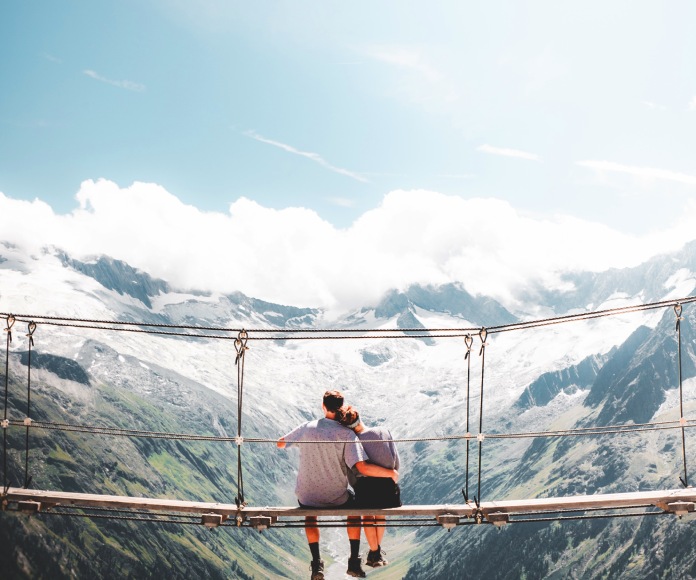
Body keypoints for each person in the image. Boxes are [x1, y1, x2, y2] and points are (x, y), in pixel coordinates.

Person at [277, 390, 399, 580]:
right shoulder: (346, 434)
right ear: (341, 406)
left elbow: (280, 443)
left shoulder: (307, 427)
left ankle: (317, 564)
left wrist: (305, 442)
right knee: (355, 509)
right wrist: (390, 473)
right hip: (336, 496)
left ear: (323, 406)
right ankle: (354, 562)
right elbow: (362, 467)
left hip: (307, 495)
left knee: (309, 514)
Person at [339, 405, 401, 569]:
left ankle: (375, 552)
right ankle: (375, 553)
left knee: (367, 515)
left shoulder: (353, 441)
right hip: (389, 491)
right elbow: (396, 463)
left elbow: (354, 470)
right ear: (359, 417)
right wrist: (389, 473)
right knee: (380, 515)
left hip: (366, 491)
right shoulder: (383, 431)